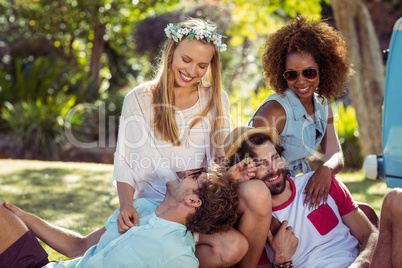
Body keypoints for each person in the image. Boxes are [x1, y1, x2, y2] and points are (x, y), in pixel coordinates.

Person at [114, 18, 272, 267]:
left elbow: (218, 162)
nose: (191, 71)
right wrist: (125, 206)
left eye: (202, 65)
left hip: (200, 203)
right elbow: (125, 162)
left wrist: (231, 173)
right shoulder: (139, 99)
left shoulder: (216, 98)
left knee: (257, 194)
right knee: (231, 246)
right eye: (185, 60)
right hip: (159, 207)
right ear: (171, 52)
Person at [0, 163, 239, 268]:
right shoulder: (140, 207)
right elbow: (79, 247)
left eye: (195, 176)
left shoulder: (178, 257)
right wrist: (23, 217)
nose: (187, 173)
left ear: (193, 201)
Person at [224, 126, 379, 268]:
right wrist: (282, 259)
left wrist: (359, 263)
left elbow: (370, 234)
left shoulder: (320, 183)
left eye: (275, 158)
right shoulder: (255, 225)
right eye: (260, 164)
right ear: (244, 172)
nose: (273, 169)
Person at [250, 16, 353, 210]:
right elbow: (251, 168)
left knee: (365, 213)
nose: (301, 81)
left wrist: (326, 169)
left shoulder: (322, 103)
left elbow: (334, 153)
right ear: (282, 74)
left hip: (298, 187)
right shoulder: (275, 111)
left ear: (323, 69)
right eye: (291, 74)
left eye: (309, 72)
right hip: (271, 196)